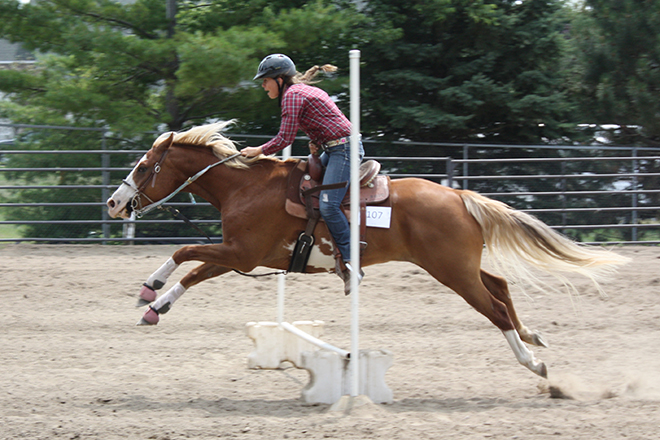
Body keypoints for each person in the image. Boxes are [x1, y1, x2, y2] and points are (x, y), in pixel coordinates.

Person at [240, 53, 364, 294]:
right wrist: (317, 142)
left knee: (328, 205)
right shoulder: (301, 91)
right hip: (336, 147)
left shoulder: (293, 96)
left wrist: (258, 151)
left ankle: (351, 263)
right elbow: (325, 122)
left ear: (279, 79)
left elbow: (285, 138)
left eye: (265, 80)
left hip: (343, 150)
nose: (263, 86)